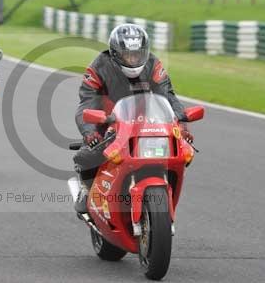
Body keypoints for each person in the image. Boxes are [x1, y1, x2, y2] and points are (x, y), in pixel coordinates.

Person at [73, 23, 193, 213]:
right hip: (109, 125)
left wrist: (181, 123)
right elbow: (86, 103)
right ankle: (86, 189)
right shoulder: (98, 68)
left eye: (137, 54)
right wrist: (90, 132)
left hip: (150, 123)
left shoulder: (154, 65)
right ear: (115, 53)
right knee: (87, 156)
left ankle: (165, 192)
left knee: (182, 153)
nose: (133, 59)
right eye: (127, 54)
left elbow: (168, 97)